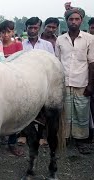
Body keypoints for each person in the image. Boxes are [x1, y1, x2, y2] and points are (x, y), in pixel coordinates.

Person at [55, 5, 94, 154]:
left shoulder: (89, 39)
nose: (74, 21)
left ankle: (81, 140)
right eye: (71, 19)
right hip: (64, 82)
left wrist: (91, 85)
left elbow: (92, 63)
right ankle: (64, 139)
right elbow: (57, 63)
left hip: (82, 82)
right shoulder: (60, 39)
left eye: (77, 19)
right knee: (65, 111)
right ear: (66, 21)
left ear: (81, 21)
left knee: (82, 112)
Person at [0, 20, 24, 156]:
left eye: (8, 32)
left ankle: (12, 143)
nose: (6, 35)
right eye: (3, 32)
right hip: (0, 84)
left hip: (15, 83)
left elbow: (20, 63)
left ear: (13, 32)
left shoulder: (18, 45)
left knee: (15, 113)